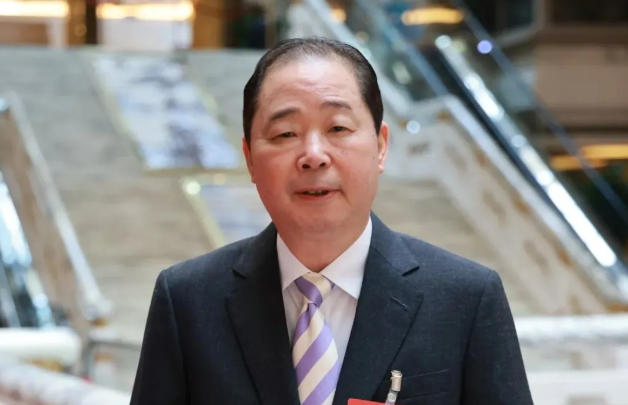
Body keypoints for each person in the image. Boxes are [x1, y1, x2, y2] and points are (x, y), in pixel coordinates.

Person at [130, 37, 533, 405]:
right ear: (250, 158)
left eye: (337, 128)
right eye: (285, 134)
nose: (313, 155)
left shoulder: (466, 300)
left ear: (380, 146)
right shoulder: (187, 301)